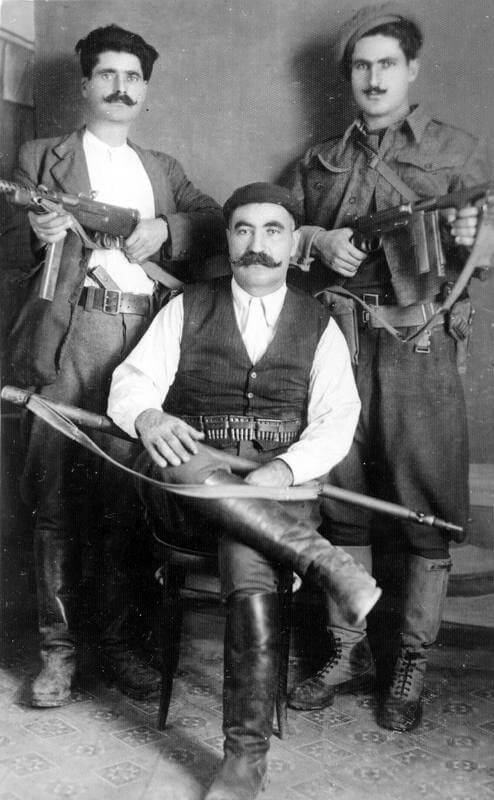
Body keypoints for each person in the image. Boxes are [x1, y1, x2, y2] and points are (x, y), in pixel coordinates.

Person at [108, 182, 381, 800]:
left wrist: (282, 471)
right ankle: (321, 561)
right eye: (243, 230)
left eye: (273, 230)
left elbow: (338, 417)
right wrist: (149, 417)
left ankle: (242, 761)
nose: (257, 246)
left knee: (250, 553)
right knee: (177, 458)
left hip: (278, 492)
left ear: (294, 243)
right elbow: (132, 382)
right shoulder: (185, 306)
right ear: (228, 238)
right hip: (191, 496)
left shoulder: (320, 320)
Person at [2, 24, 225, 707]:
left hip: (148, 341)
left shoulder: (160, 168)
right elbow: (8, 245)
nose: (120, 87)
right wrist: (36, 235)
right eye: (107, 75)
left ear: (145, 90)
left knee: (131, 499)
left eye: (133, 77)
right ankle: (61, 654)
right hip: (71, 335)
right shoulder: (44, 157)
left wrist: (168, 230)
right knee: (56, 502)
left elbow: (214, 221)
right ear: (85, 84)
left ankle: (122, 645)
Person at [285, 2, 491, 732]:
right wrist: (315, 238)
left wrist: (474, 237)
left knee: (423, 509)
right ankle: (347, 652)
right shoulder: (318, 161)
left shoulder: (456, 150)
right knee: (339, 497)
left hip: (418, 345)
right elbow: (277, 234)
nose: (373, 78)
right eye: (362, 66)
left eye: (387, 64)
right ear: (348, 77)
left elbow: (484, 255)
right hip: (336, 342)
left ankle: (408, 663)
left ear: (412, 71)